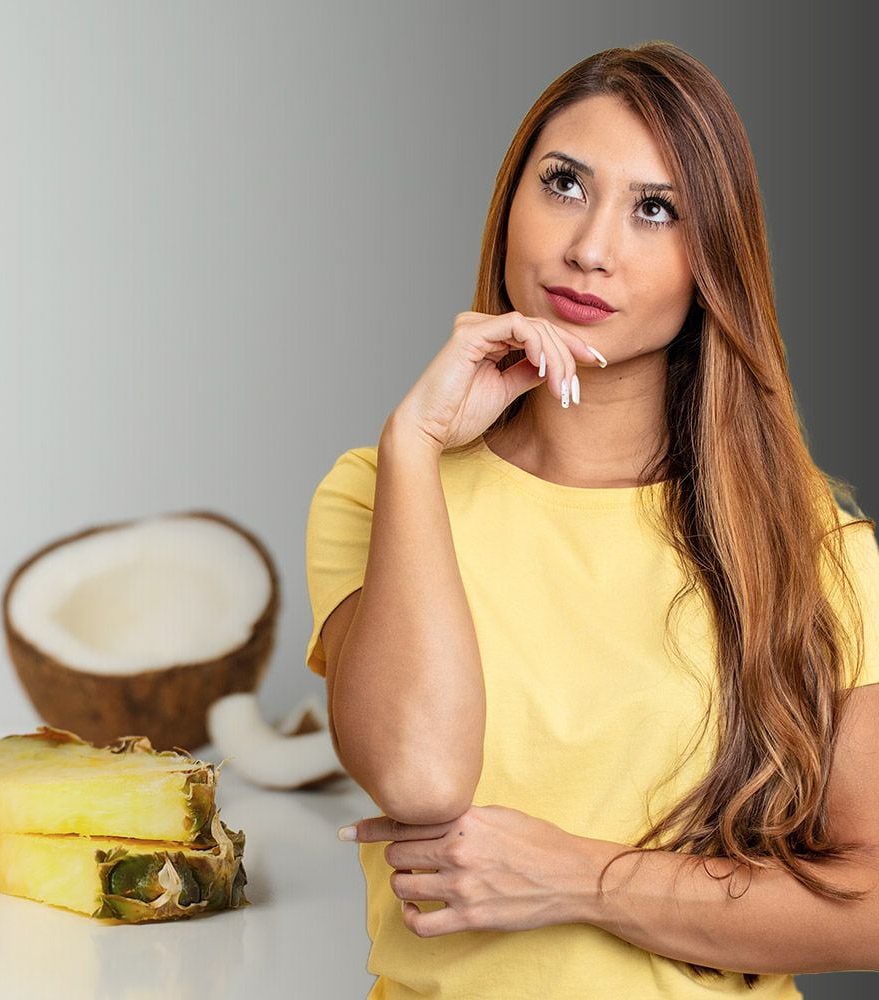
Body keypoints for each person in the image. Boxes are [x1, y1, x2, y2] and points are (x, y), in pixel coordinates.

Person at [303, 41, 879, 999]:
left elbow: (870, 905)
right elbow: (419, 780)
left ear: (714, 264)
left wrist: (575, 879)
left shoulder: (817, 547)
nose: (590, 247)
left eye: (657, 210)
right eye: (564, 184)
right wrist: (414, 443)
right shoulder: (380, 490)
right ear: (510, 200)